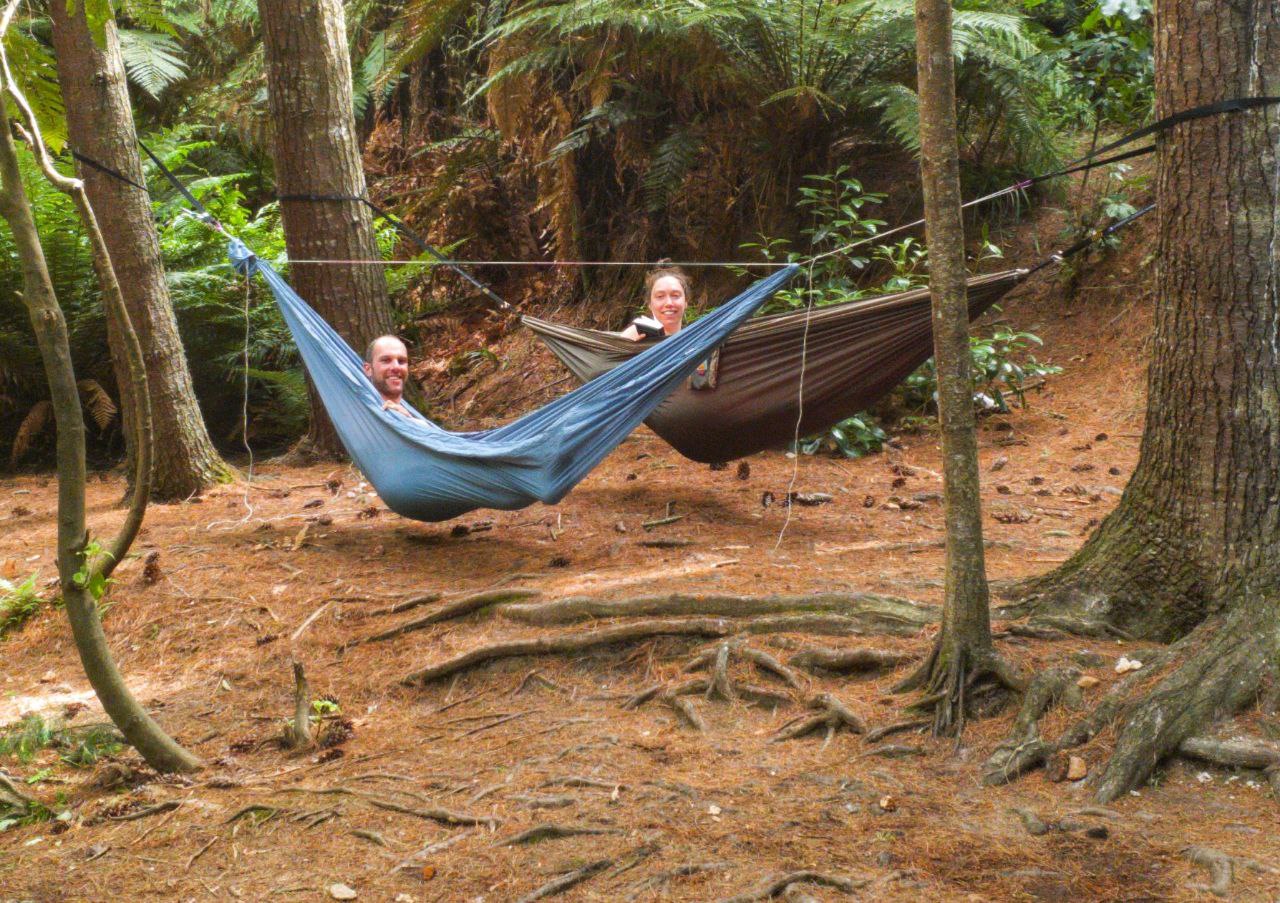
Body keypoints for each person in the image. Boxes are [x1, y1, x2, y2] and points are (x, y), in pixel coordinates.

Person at [618, 266, 690, 341]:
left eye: (675, 295)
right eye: (660, 296)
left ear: (685, 302)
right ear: (650, 304)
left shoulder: (694, 341)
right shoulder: (632, 337)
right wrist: (626, 346)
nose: (669, 303)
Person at [363, 335, 421, 419]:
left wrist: (410, 422)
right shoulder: (359, 417)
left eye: (401, 361)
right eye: (386, 360)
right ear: (368, 369)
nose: (396, 367)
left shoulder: (414, 418)